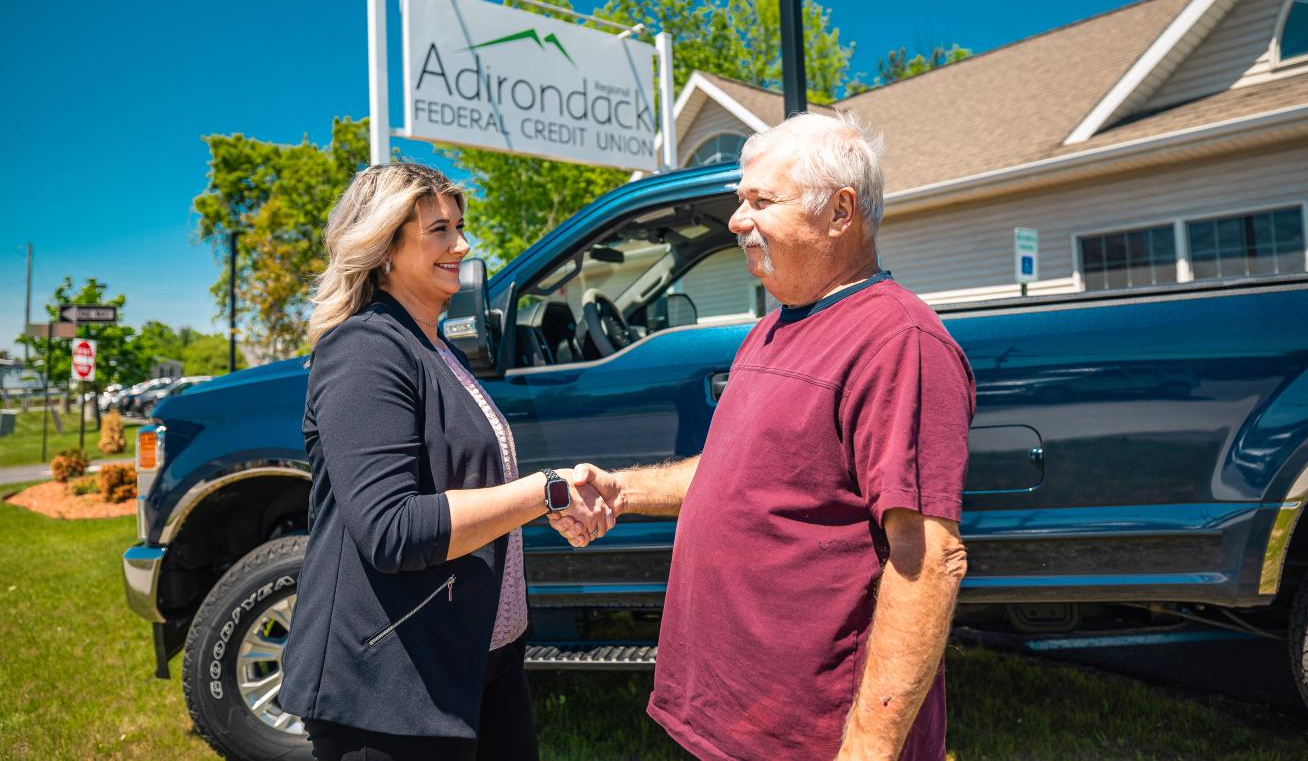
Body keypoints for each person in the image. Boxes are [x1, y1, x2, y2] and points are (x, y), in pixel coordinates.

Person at [560, 112, 975, 760]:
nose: (735, 219)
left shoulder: (899, 343)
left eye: (760, 201)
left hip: (812, 737)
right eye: (739, 200)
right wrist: (623, 491)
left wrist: (867, 747)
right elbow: (740, 474)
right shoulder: (775, 327)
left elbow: (927, 561)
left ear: (840, 213)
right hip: (732, 719)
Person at [278, 162, 613, 761]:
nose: (462, 245)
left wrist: (544, 503)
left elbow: (469, 485)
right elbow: (393, 530)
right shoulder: (364, 349)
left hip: (480, 654)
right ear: (384, 245)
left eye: (460, 226)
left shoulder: (434, 344)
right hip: (391, 682)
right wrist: (546, 493)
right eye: (439, 230)